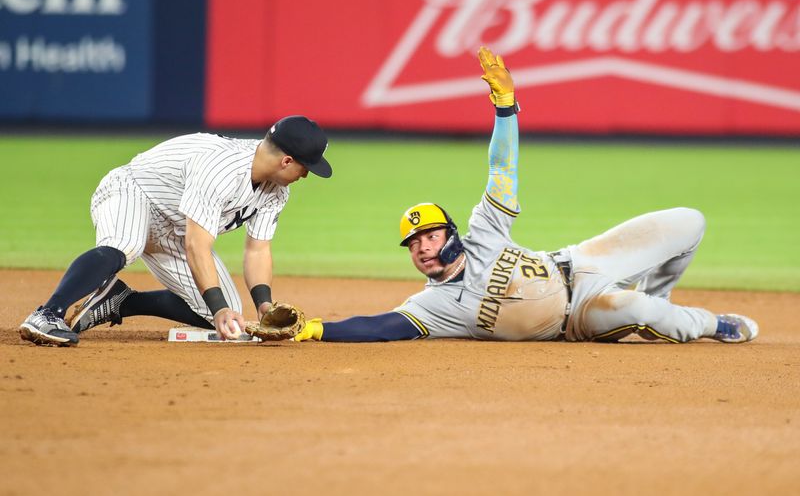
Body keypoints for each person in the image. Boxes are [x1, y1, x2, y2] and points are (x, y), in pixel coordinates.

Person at [292, 47, 758, 344]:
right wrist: (314, 330)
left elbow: (502, 166)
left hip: (582, 263)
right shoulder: (432, 307)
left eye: (428, 235)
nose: (421, 247)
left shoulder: (484, 232)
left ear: (450, 232)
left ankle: (663, 297)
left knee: (689, 221)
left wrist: (504, 108)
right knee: (637, 309)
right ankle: (712, 325)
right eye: (413, 244)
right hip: (577, 318)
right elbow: (377, 326)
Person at [19, 116, 332, 346]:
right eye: (305, 167)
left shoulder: (277, 191)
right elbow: (198, 246)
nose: (306, 175)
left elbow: (257, 249)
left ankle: (121, 301)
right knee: (124, 244)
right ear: (286, 160)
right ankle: (47, 314)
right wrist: (218, 306)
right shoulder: (221, 169)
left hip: (176, 228)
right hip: (134, 193)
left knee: (228, 312)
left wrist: (265, 305)